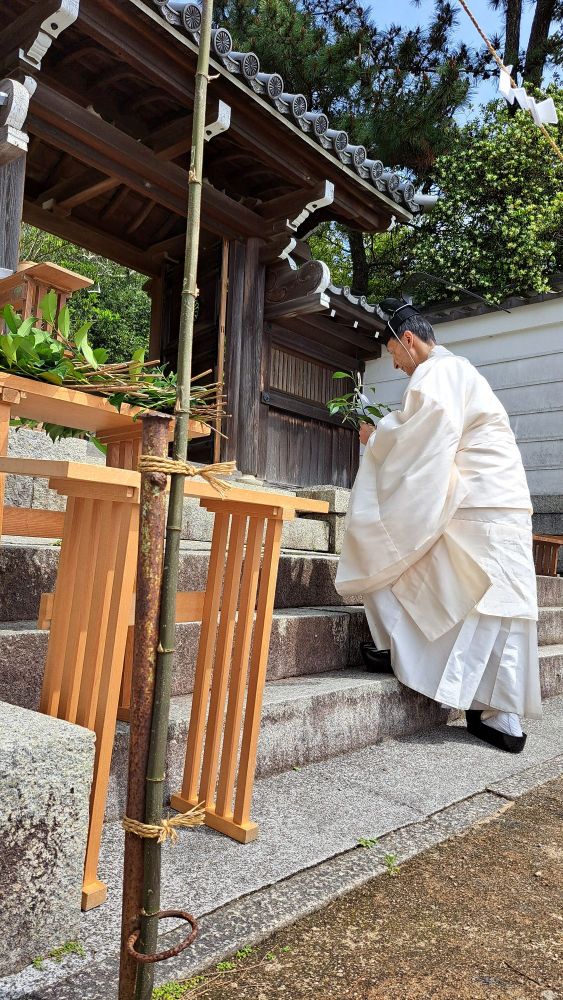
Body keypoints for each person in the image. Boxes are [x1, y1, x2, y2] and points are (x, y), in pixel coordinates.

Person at [335, 298, 541, 753]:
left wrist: (377, 438)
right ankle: (501, 716)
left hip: (475, 504)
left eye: (393, 354)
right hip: (503, 503)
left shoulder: (438, 371)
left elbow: (426, 436)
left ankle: (393, 649)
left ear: (408, 340)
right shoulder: (465, 371)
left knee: (382, 547)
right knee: (496, 604)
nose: (397, 365)